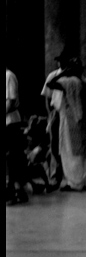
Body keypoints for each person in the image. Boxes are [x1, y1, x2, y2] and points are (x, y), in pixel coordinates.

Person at [47, 55, 86, 192]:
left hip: (70, 121)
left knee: (70, 152)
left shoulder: (70, 81)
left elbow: (51, 84)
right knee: (83, 152)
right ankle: (84, 182)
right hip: (83, 121)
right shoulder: (84, 81)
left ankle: (74, 183)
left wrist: (64, 73)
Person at [6, 68, 30, 205]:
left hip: (10, 122)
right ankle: (13, 190)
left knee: (12, 158)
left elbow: (10, 101)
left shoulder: (8, 76)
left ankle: (16, 191)